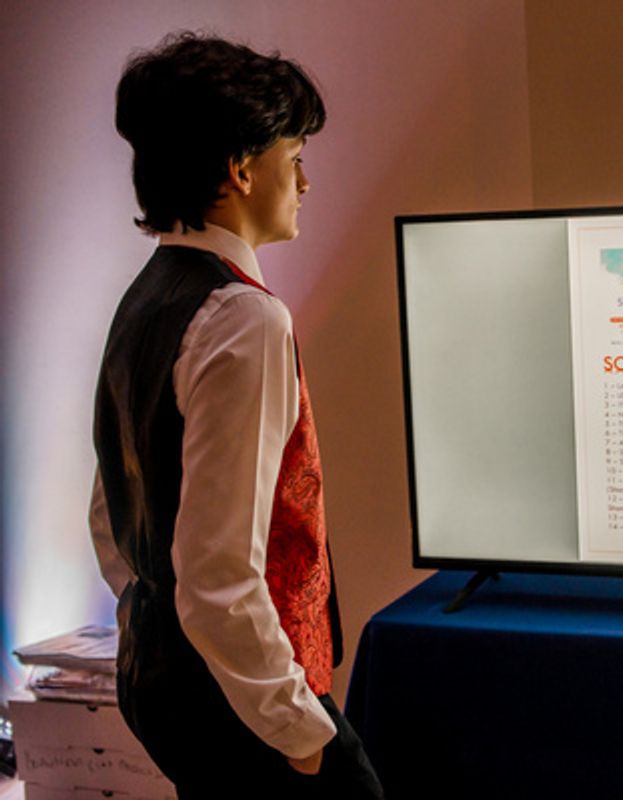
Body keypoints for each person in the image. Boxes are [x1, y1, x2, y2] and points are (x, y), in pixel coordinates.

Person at [88, 32, 384, 798]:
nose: (305, 182)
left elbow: (111, 513)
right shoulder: (244, 319)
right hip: (239, 705)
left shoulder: (147, 293)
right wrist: (302, 731)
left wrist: (145, 622)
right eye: (295, 158)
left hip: (162, 682)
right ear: (241, 169)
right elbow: (218, 575)